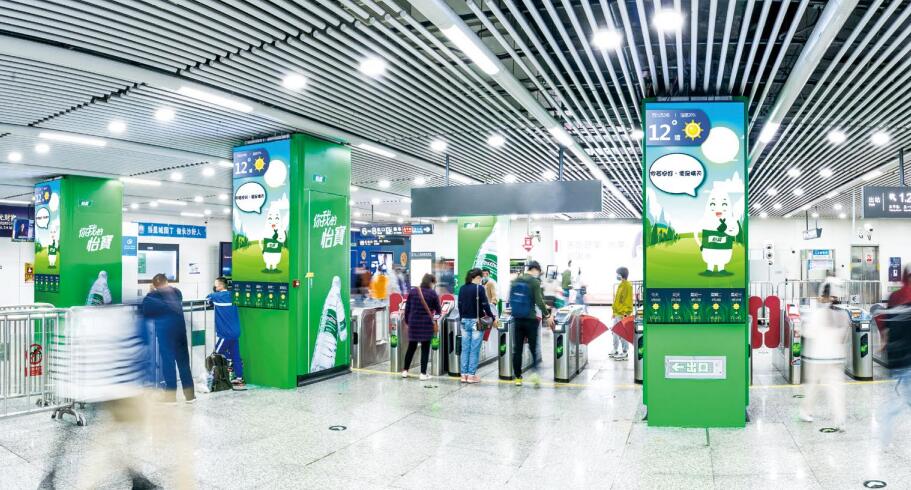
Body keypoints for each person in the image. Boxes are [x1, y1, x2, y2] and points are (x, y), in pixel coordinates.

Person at [799, 279, 848, 429]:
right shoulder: (843, 314)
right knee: (836, 389)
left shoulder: (818, 313)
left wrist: (801, 329)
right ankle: (840, 419)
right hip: (836, 357)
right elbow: (843, 336)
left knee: (813, 385)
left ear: (824, 295)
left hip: (817, 357)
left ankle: (806, 411)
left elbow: (809, 333)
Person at [141, 273, 195, 403]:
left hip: (166, 335)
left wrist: (150, 292)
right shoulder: (176, 292)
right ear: (166, 282)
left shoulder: (152, 297)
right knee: (184, 364)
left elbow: (146, 311)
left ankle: (170, 398)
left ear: (155, 285)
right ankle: (190, 396)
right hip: (180, 333)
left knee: (168, 364)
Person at [878, 264, 911, 447]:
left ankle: (885, 431)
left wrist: (884, 343)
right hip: (907, 358)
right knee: (904, 400)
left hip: (894, 358)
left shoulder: (894, 297)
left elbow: (884, 324)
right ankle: (885, 418)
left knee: (900, 399)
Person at [511, 261, 554, 387]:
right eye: (538, 271)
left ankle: (518, 377)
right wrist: (547, 315)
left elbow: (511, 299)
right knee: (533, 347)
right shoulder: (534, 282)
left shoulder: (516, 280)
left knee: (517, 349)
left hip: (517, 319)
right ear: (535, 269)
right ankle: (535, 375)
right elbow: (539, 301)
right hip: (530, 319)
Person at [457, 268, 496, 383]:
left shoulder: (462, 288)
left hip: (464, 321)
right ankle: (471, 376)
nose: (481, 280)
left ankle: (463, 375)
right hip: (476, 322)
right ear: (478, 277)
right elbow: (485, 305)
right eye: (481, 278)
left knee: (465, 349)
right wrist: (492, 318)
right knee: (474, 349)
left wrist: (462, 318)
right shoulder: (480, 288)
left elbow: (459, 305)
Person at [401, 273, 441, 380]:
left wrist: (408, 322)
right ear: (431, 282)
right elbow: (438, 310)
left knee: (411, 347)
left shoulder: (413, 291)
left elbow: (407, 309)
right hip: (426, 324)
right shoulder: (432, 293)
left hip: (413, 323)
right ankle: (423, 374)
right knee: (425, 348)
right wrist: (435, 319)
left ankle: (405, 371)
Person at [207, 276, 244, 386]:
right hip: (236, 332)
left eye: (216, 284)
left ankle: (222, 370)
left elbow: (208, 299)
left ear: (220, 286)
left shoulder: (216, 296)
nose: (214, 286)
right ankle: (239, 378)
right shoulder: (233, 295)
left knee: (216, 354)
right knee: (235, 355)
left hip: (226, 333)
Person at [611, 267, 633, 359]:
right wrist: (614, 312)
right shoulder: (621, 284)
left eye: (617, 273)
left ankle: (625, 352)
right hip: (617, 313)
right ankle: (615, 349)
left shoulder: (628, 285)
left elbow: (628, 301)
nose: (616, 275)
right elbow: (617, 300)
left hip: (622, 313)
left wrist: (625, 314)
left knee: (623, 333)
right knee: (614, 331)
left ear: (621, 274)